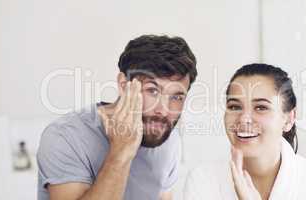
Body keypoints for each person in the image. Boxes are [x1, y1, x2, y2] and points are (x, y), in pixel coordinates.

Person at [37, 35, 197, 200]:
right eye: (153, 91)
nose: (164, 111)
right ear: (123, 85)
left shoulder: (168, 140)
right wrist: (121, 151)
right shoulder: (65, 137)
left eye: (176, 97)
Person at [183, 63, 306, 200]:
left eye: (261, 107)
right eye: (235, 106)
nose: (244, 119)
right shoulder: (204, 180)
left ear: (288, 119)